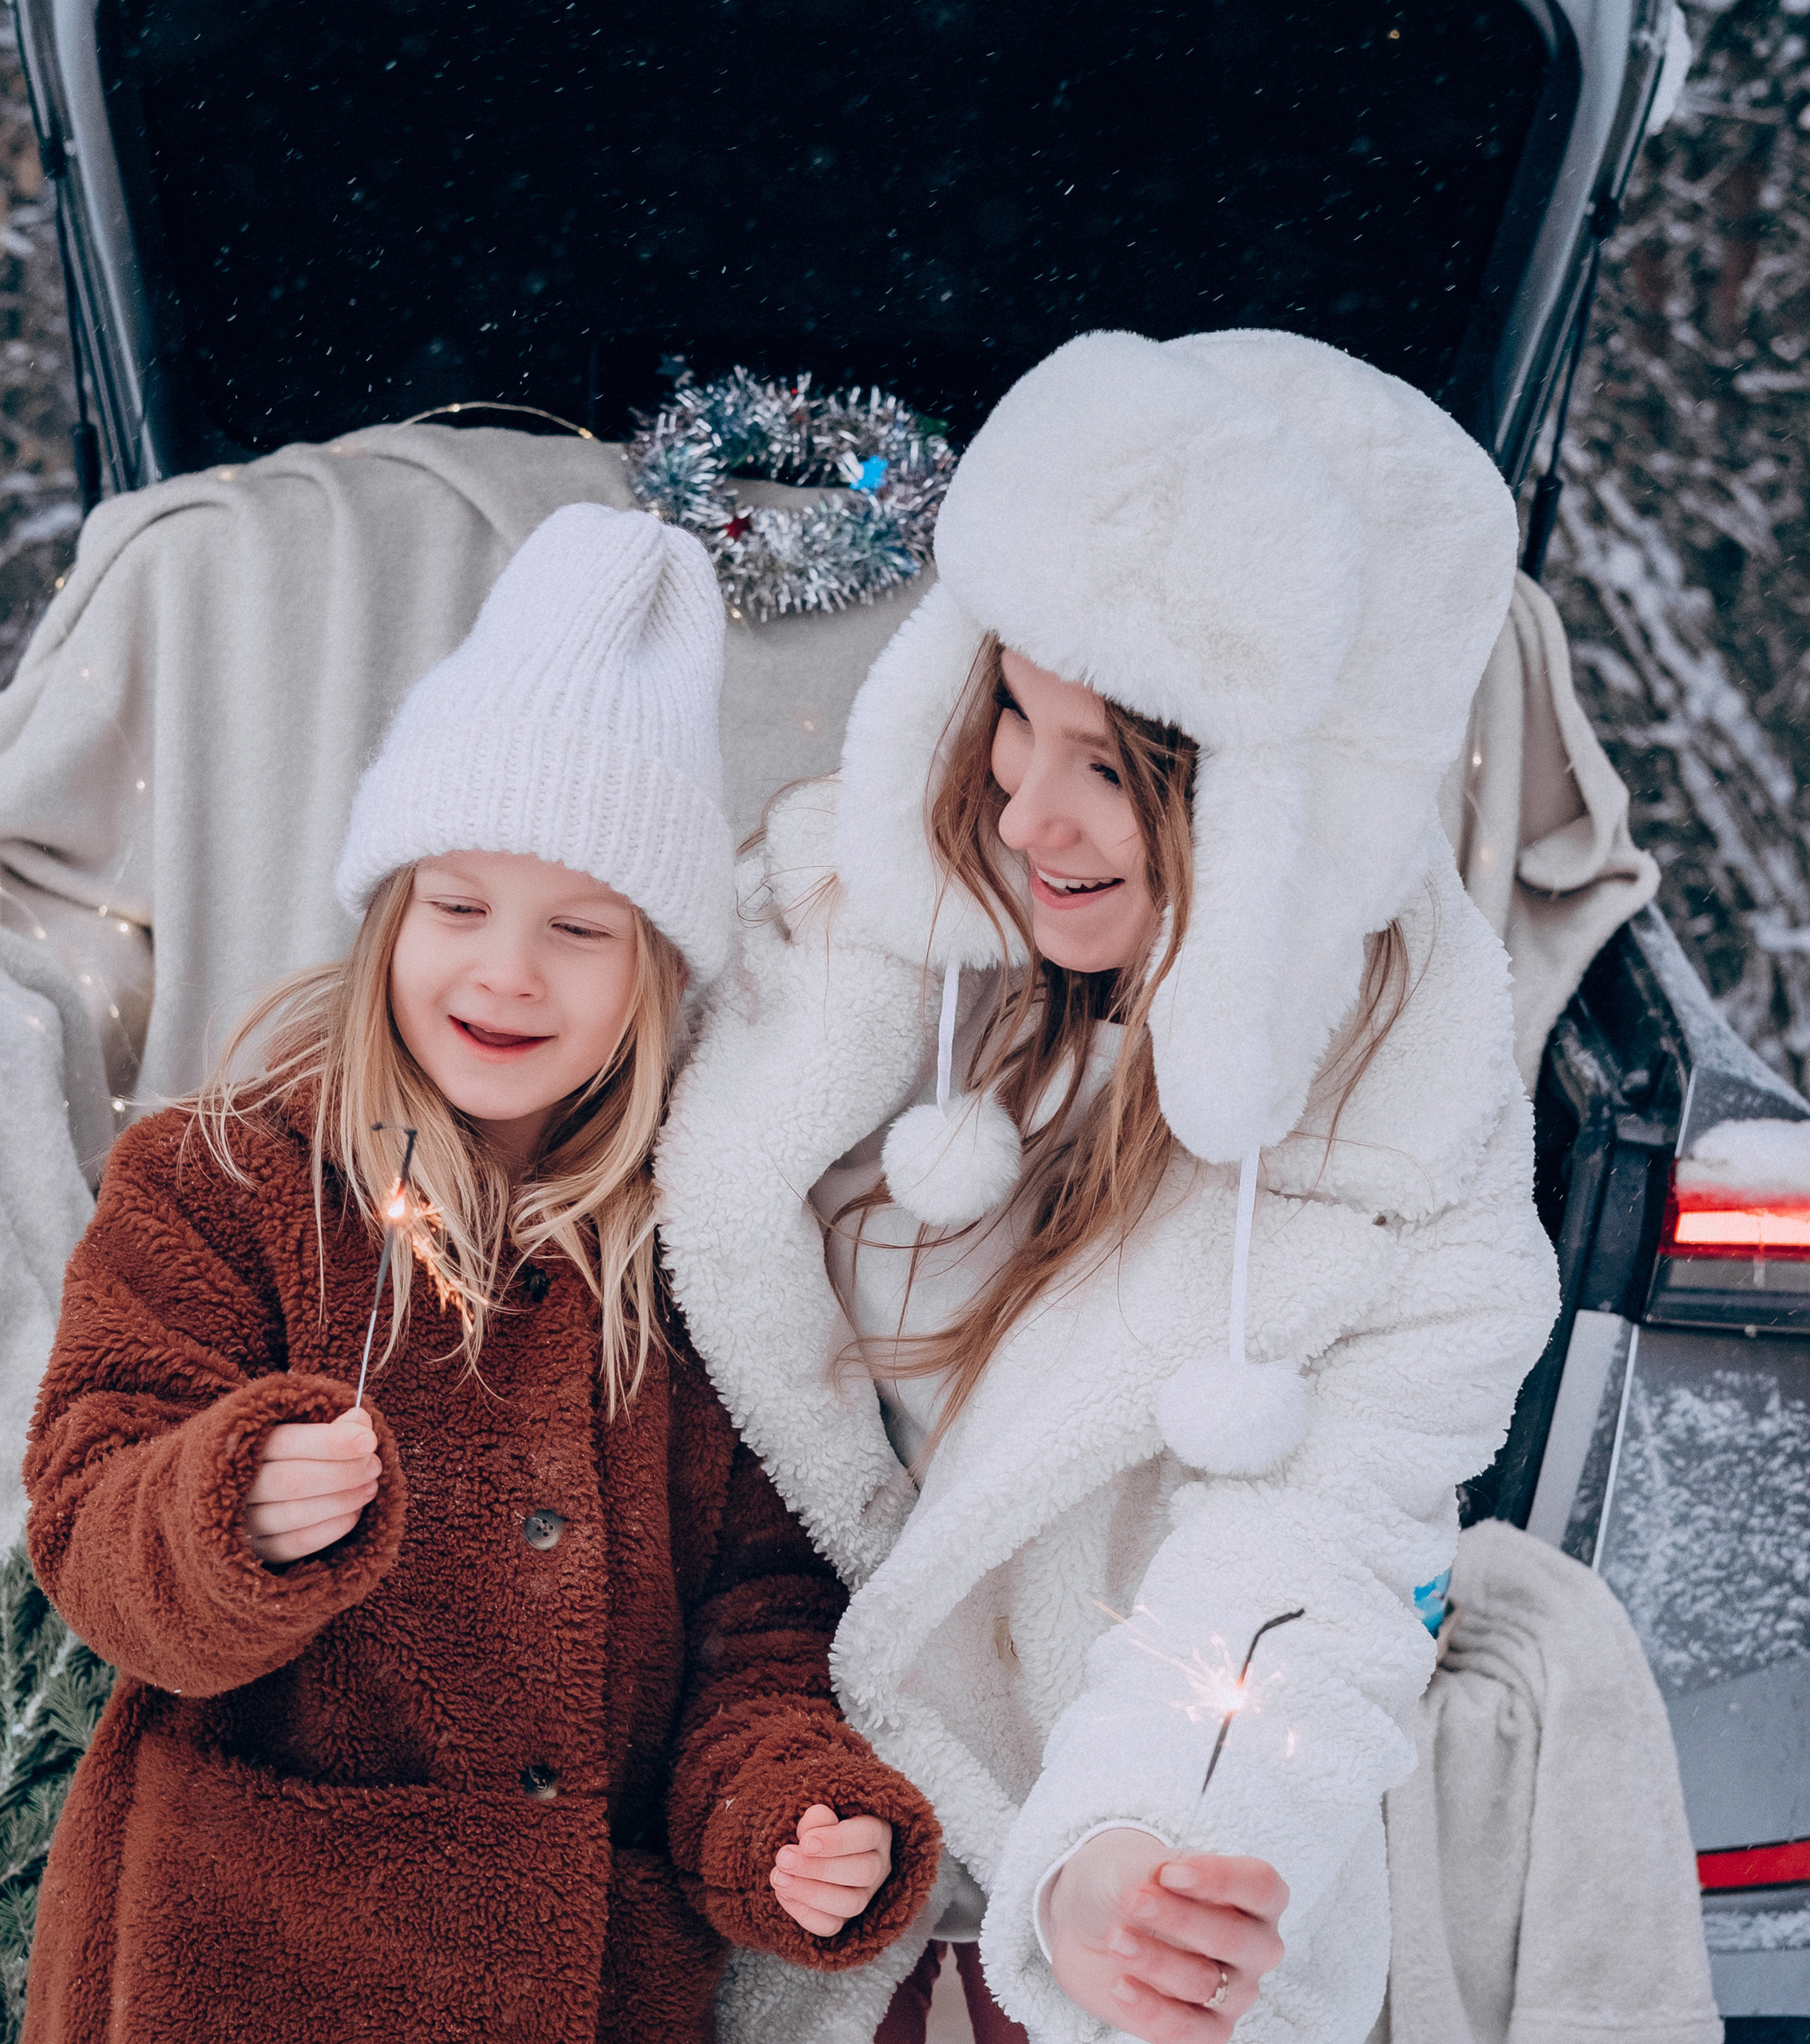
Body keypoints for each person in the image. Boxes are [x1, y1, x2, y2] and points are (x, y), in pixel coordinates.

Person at [655, 331, 1562, 2043]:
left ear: (1290, 807)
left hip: (1097, 1933)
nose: (1025, 815)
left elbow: (1320, 1554)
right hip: (779, 1880)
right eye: (1014, 712)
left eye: (1119, 770)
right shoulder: (841, 937)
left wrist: (1138, 1840)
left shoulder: (1405, 1138)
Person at [20, 504, 941, 2044]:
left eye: (578, 928)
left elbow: (759, 1619)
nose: (507, 970)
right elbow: (89, 1519)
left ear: (655, 969)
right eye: (458, 908)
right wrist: (221, 1505)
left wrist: (785, 1814)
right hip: (237, 1970)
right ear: (389, 919)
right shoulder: (224, 1180)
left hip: (580, 1990)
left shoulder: (698, 1256)